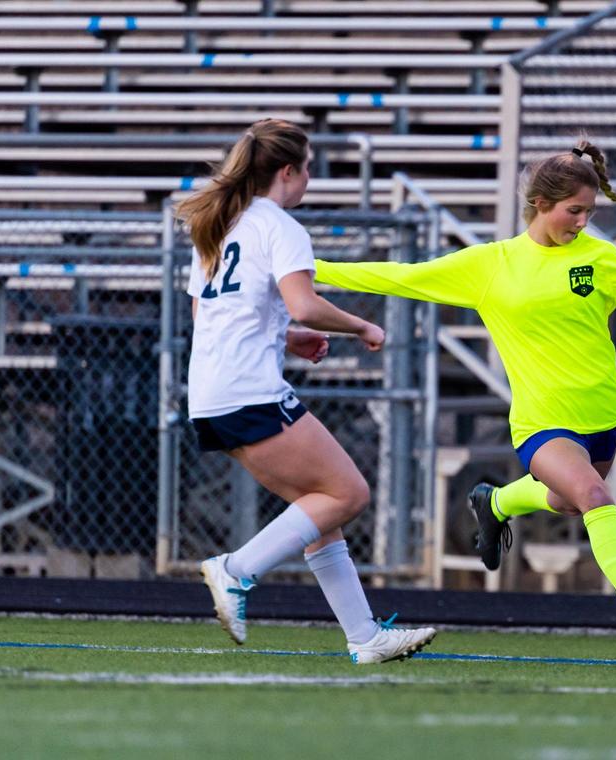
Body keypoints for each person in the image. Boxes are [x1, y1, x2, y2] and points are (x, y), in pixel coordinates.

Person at [314, 141, 616, 657]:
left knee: (568, 502)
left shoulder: (602, 259)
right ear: (540, 204)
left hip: (602, 417)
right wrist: (312, 269)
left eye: (590, 212)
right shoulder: (493, 264)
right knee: (595, 498)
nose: (582, 222)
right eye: (574, 211)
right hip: (541, 422)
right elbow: (401, 277)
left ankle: (497, 502)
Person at [177, 118, 436, 664]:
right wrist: (362, 326)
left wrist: (287, 336)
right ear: (287, 172)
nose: (310, 181)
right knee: (348, 494)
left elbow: (209, 312)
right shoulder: (279, 225)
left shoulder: (222, 223)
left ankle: (364, 637)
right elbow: (305, 302)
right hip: (249, 389)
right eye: (309, 169)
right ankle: (235, 570)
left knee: (316, 503)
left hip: (209, 393)